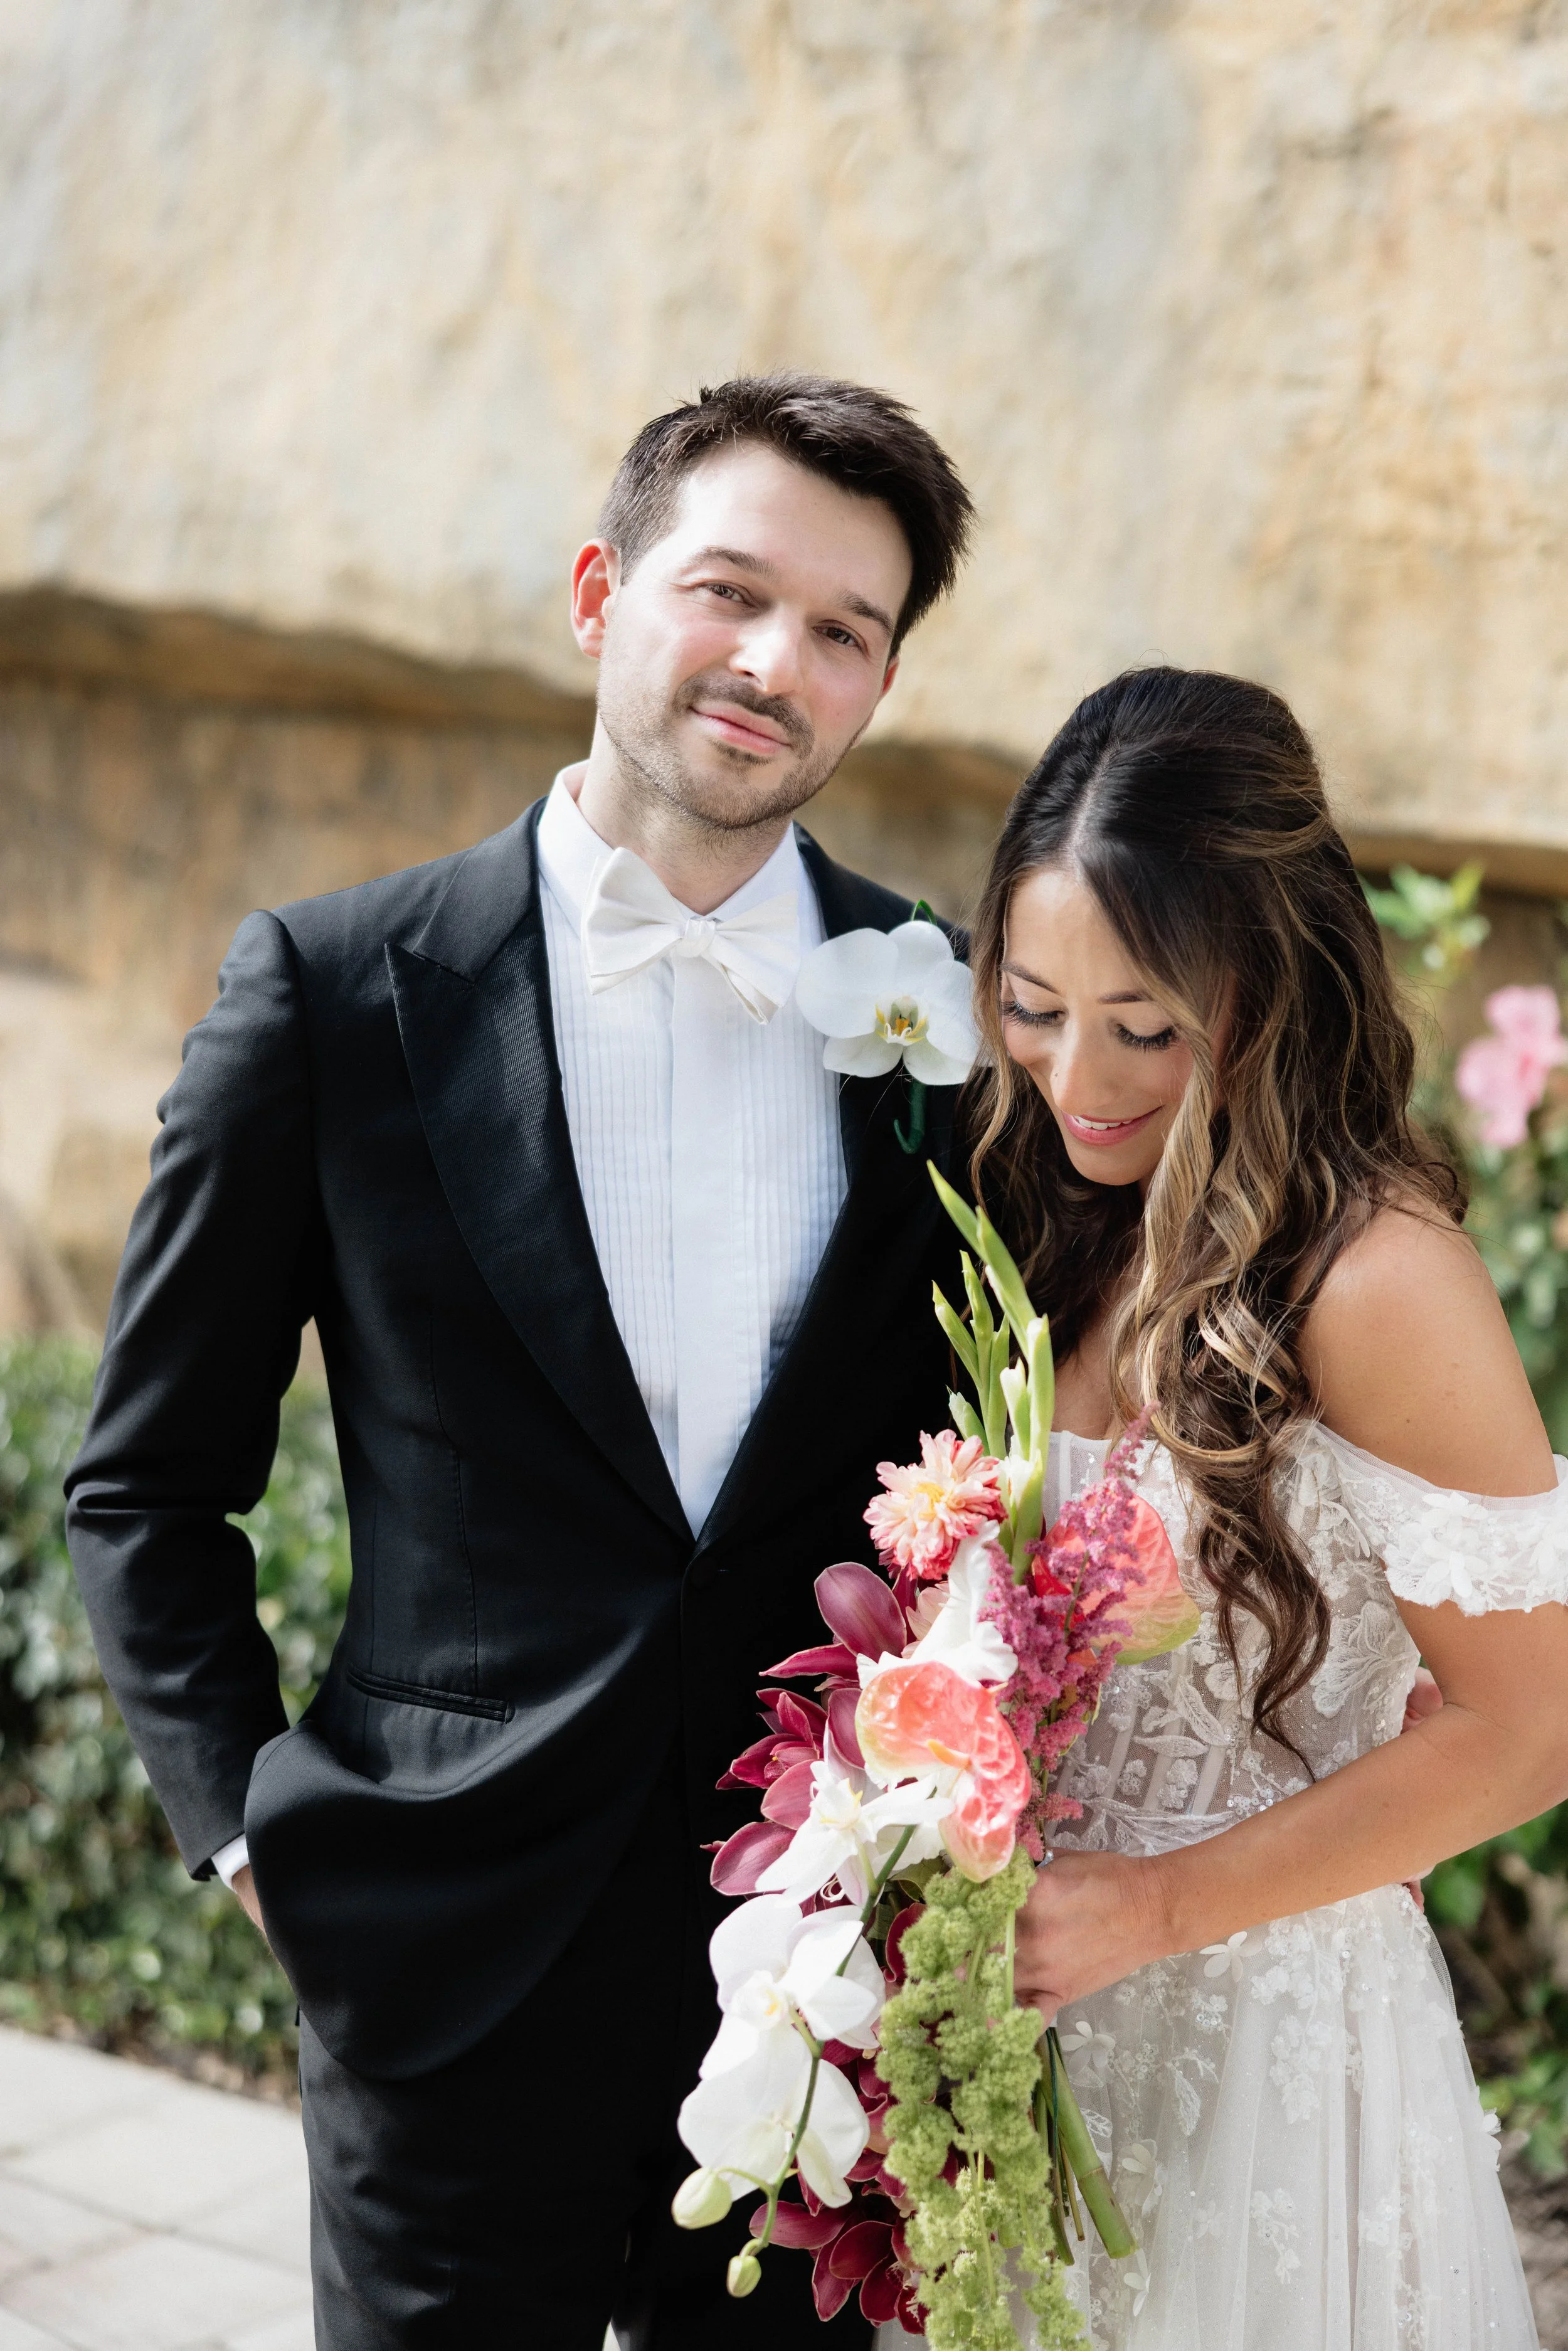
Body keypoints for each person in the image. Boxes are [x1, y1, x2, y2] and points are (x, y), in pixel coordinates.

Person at [65, 374, 976, 2350]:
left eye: (843, 630)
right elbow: (144, 1481)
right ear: (598, 594)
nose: (773, 661)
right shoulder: (325, 991)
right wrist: (251, 1835)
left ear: (880, 688)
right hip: (437, 1965)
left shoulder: (943, 1007)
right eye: (727, 590)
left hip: (813, 1983)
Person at [963, 666, 1567, 2349]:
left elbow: (1530, 1727)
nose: (1076, 1075)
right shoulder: (1043, 1201)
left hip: (1266, 2071)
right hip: (1018, 2062)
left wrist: (1150, 1909)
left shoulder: (1377, 1277)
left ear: (1269, 980)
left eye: (1142, 1024)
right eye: (1030, 1000)